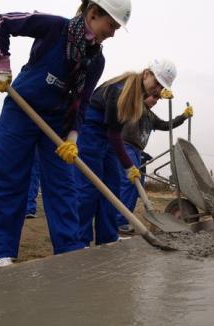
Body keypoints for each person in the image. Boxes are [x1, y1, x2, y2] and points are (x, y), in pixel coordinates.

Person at [0, 0, 132, 268]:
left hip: (56, 123)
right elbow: (2, 22)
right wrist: (2, 63)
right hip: (22, 109)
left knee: (63, 186)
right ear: (93, 13)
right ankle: (3, 252)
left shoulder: (96, 59)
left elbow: (83, 100)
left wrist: (73, 137)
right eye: (111, 25)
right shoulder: (55, 27)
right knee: (11, 180)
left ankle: (68, 250)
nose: (112, 33)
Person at [75, 58, 177, 246]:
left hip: (108, 137)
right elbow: (115, 134)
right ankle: (80, 240)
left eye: (161, 87)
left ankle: (107, 238)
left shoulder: (139, 96)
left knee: (112, 188)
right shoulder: (122, 90)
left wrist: (127, 165)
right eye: (156, 83)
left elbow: (114, 134)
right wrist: (129, 165)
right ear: (146, 73)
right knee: (89, 189)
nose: (157, 89)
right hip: (91, 133)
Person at [116, 93, 193, 234]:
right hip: (126, 146)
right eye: (153, 96)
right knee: (129, 184)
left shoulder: (151, 116)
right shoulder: (135, 105)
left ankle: (123, 220)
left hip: (137, 151)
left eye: (158, 98)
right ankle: (118, 221)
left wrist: (183, 116)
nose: (156, 100)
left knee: (136, 188)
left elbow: (166, 125)